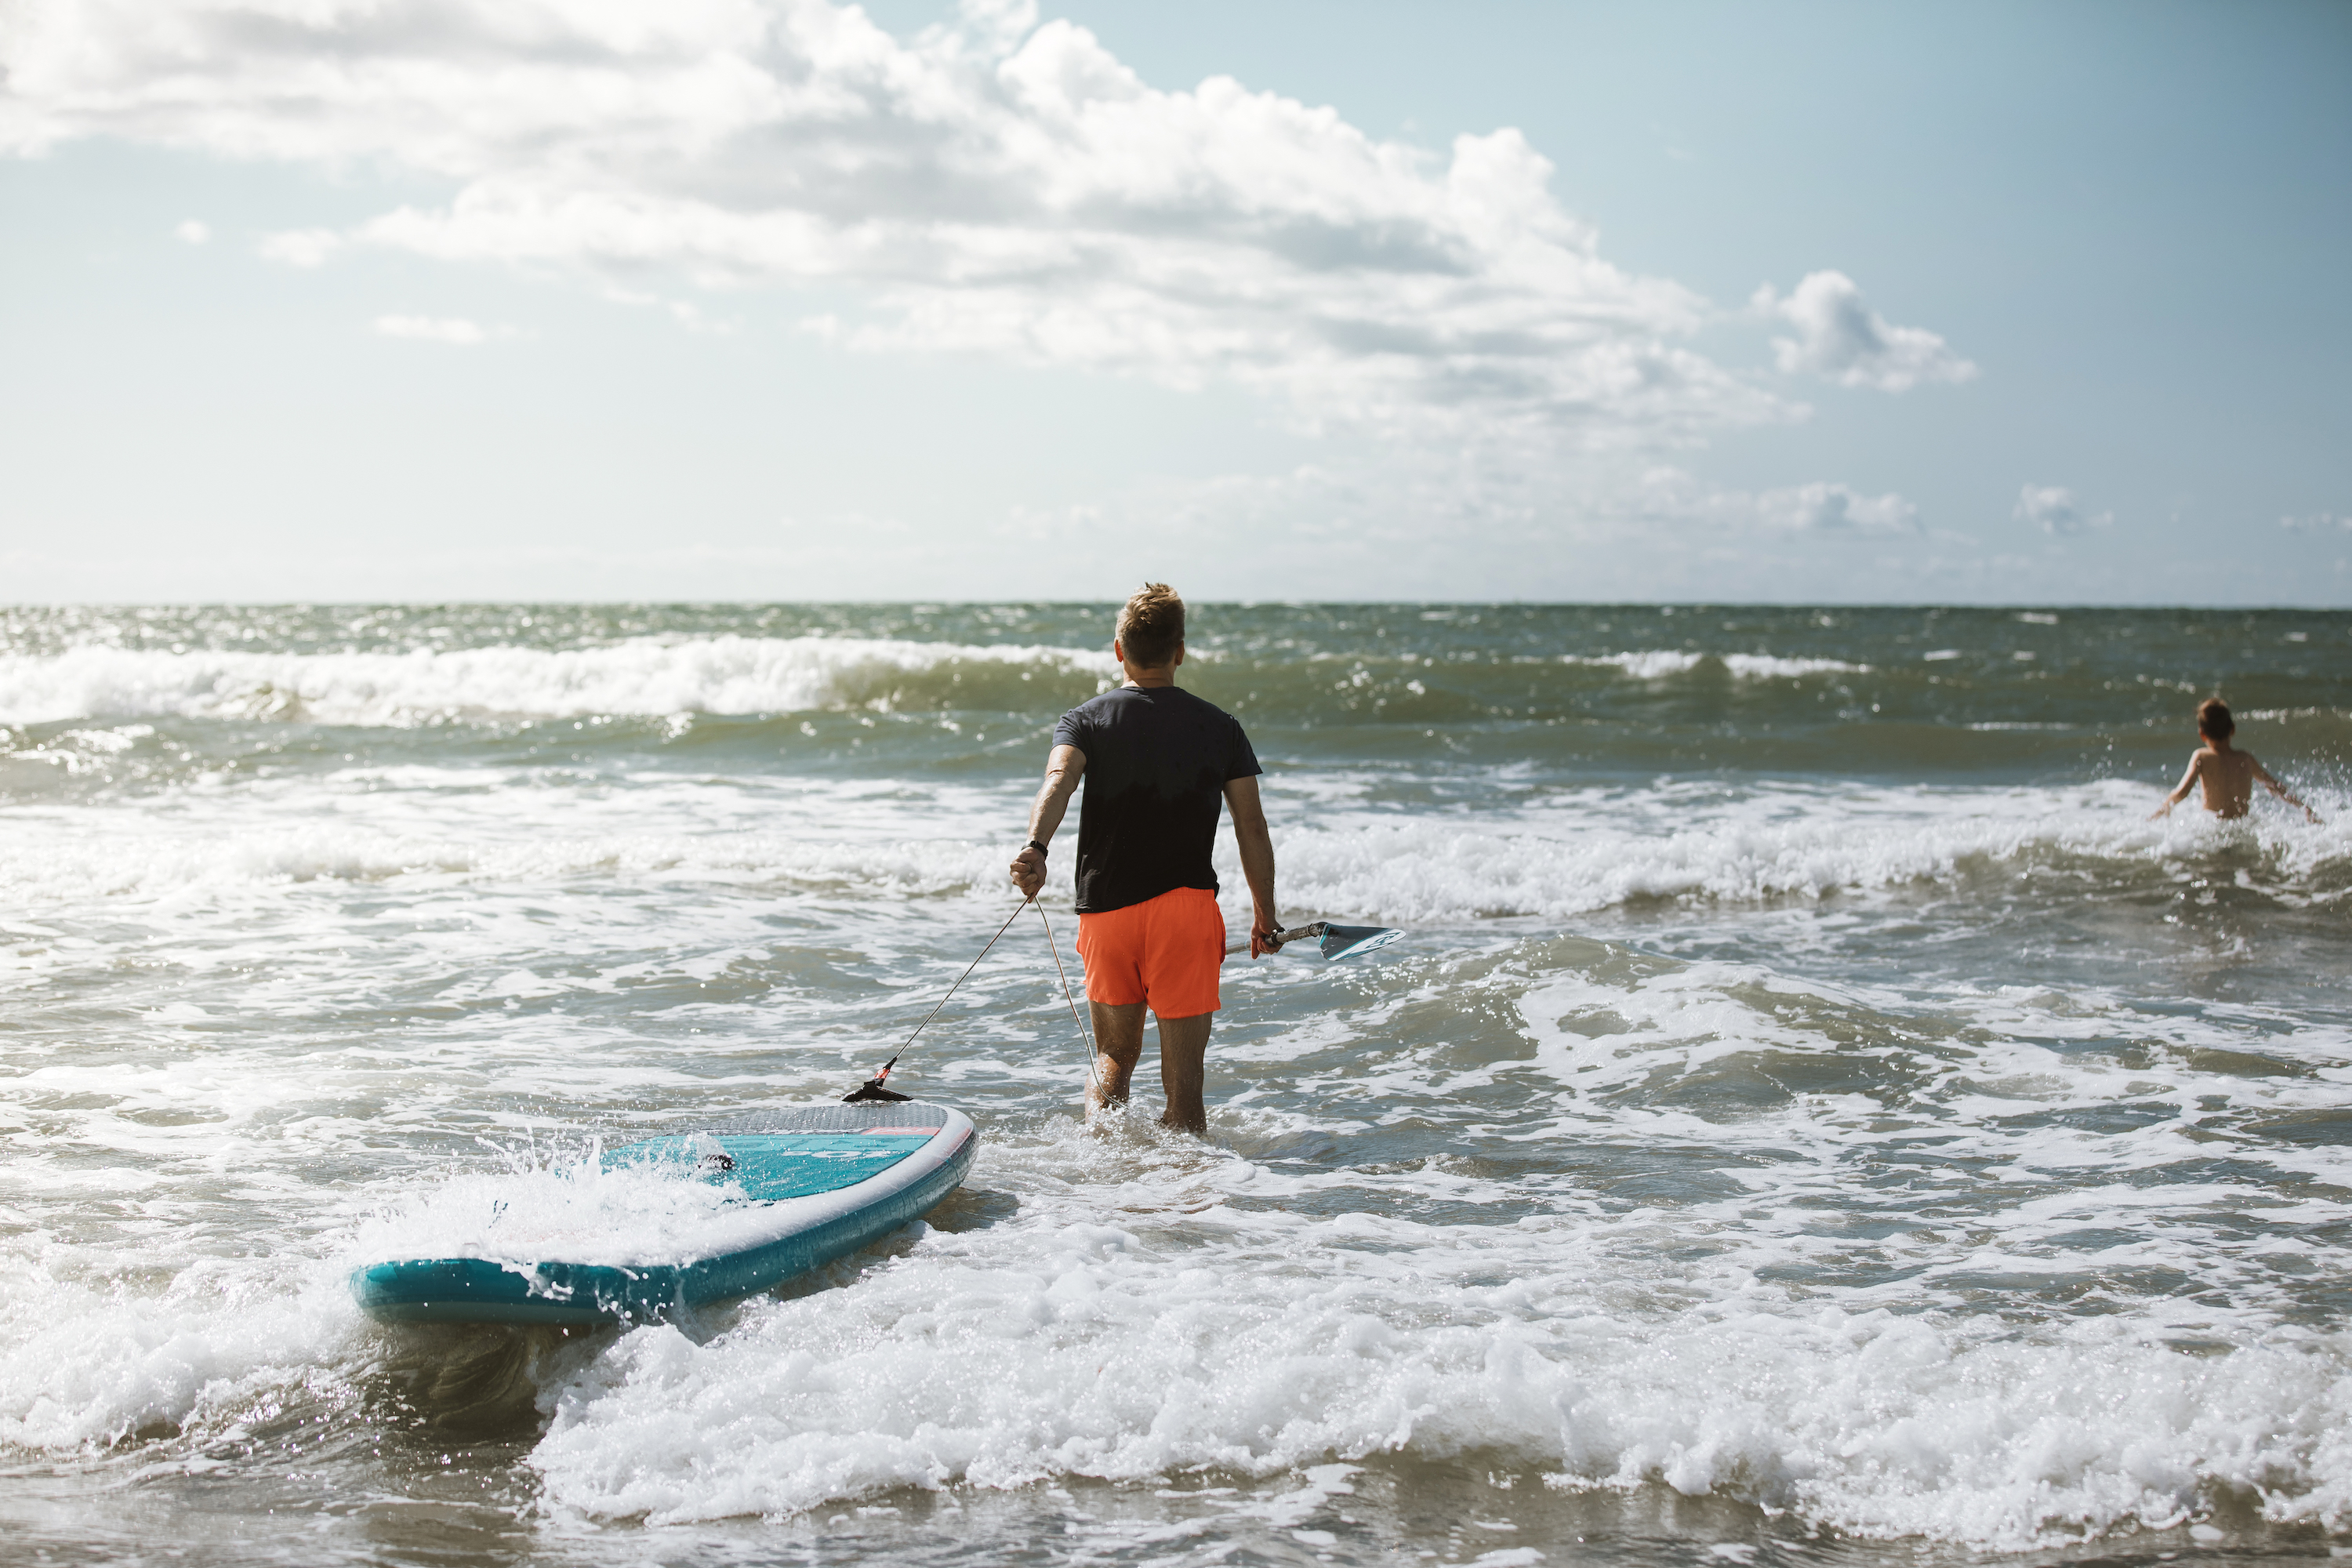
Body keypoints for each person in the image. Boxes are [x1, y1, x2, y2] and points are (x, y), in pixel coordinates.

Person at [1009, 583, 1278, 1133]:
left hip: (1107, 913)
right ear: (1180, 651)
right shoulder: (1221, 727)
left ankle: (1100, 1172)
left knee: (1112, 1059)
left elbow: (1058, 780)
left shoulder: (1084, 719)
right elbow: (1251, 825)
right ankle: (1183, 1204)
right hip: (1185, 910)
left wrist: (1036, 847)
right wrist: (1264, 914)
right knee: (1185, 1090)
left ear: (1118, 650)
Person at [2150, 697, 2321, 824]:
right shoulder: (2245, 759)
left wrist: (2162, 811)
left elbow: (2182, 792)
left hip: (2214, 830)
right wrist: (2303, 807)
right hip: (2241, 827)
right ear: (2232, 729)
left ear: (2202, 734)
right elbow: (2274, 786)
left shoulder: (2201, 757)